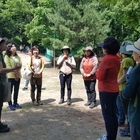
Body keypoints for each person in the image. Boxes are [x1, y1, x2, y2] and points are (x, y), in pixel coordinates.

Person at [96, 37, 120, 140]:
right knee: (113, 115)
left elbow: (100, 76)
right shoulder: (116, 58)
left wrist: (97, 69)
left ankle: (110, 137)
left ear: (107, 49)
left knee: (107, 116)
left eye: (103, 47)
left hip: (106, 90)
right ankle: (112, 136)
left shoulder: (106, 59)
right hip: (114, 89)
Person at [0, 37, 21, 132]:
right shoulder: (2, 55)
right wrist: (13, 70)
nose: (5, 45)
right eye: (3, 44)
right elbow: (1, 70)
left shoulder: (1, 54)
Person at [122, 38, 140, 140]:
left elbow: (126, 93)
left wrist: (129, 81)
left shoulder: (137, 71)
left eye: (134, 51)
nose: (132, 54)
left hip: (137, 117)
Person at [117, 41, 135, 136]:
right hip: (125, 87)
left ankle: (128, 130)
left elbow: (124, 76)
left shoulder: (125, 60)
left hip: (123, 88)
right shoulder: (131, 59)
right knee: (127, 109)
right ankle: (128, 129)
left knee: (126, 110)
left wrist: (117, 83)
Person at [4, 44, 22, 111]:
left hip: (18, 75)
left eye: (14, 46)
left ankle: (15, 103)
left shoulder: (17, 56)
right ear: (9, 48)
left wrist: (17, 73)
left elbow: (20, 64)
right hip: (10, 76)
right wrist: (14, 74)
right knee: (10, 91)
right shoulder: (7, 56)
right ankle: (10, 104)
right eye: (12, 46)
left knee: (16, 90)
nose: (14, 47)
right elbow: (8, 66)